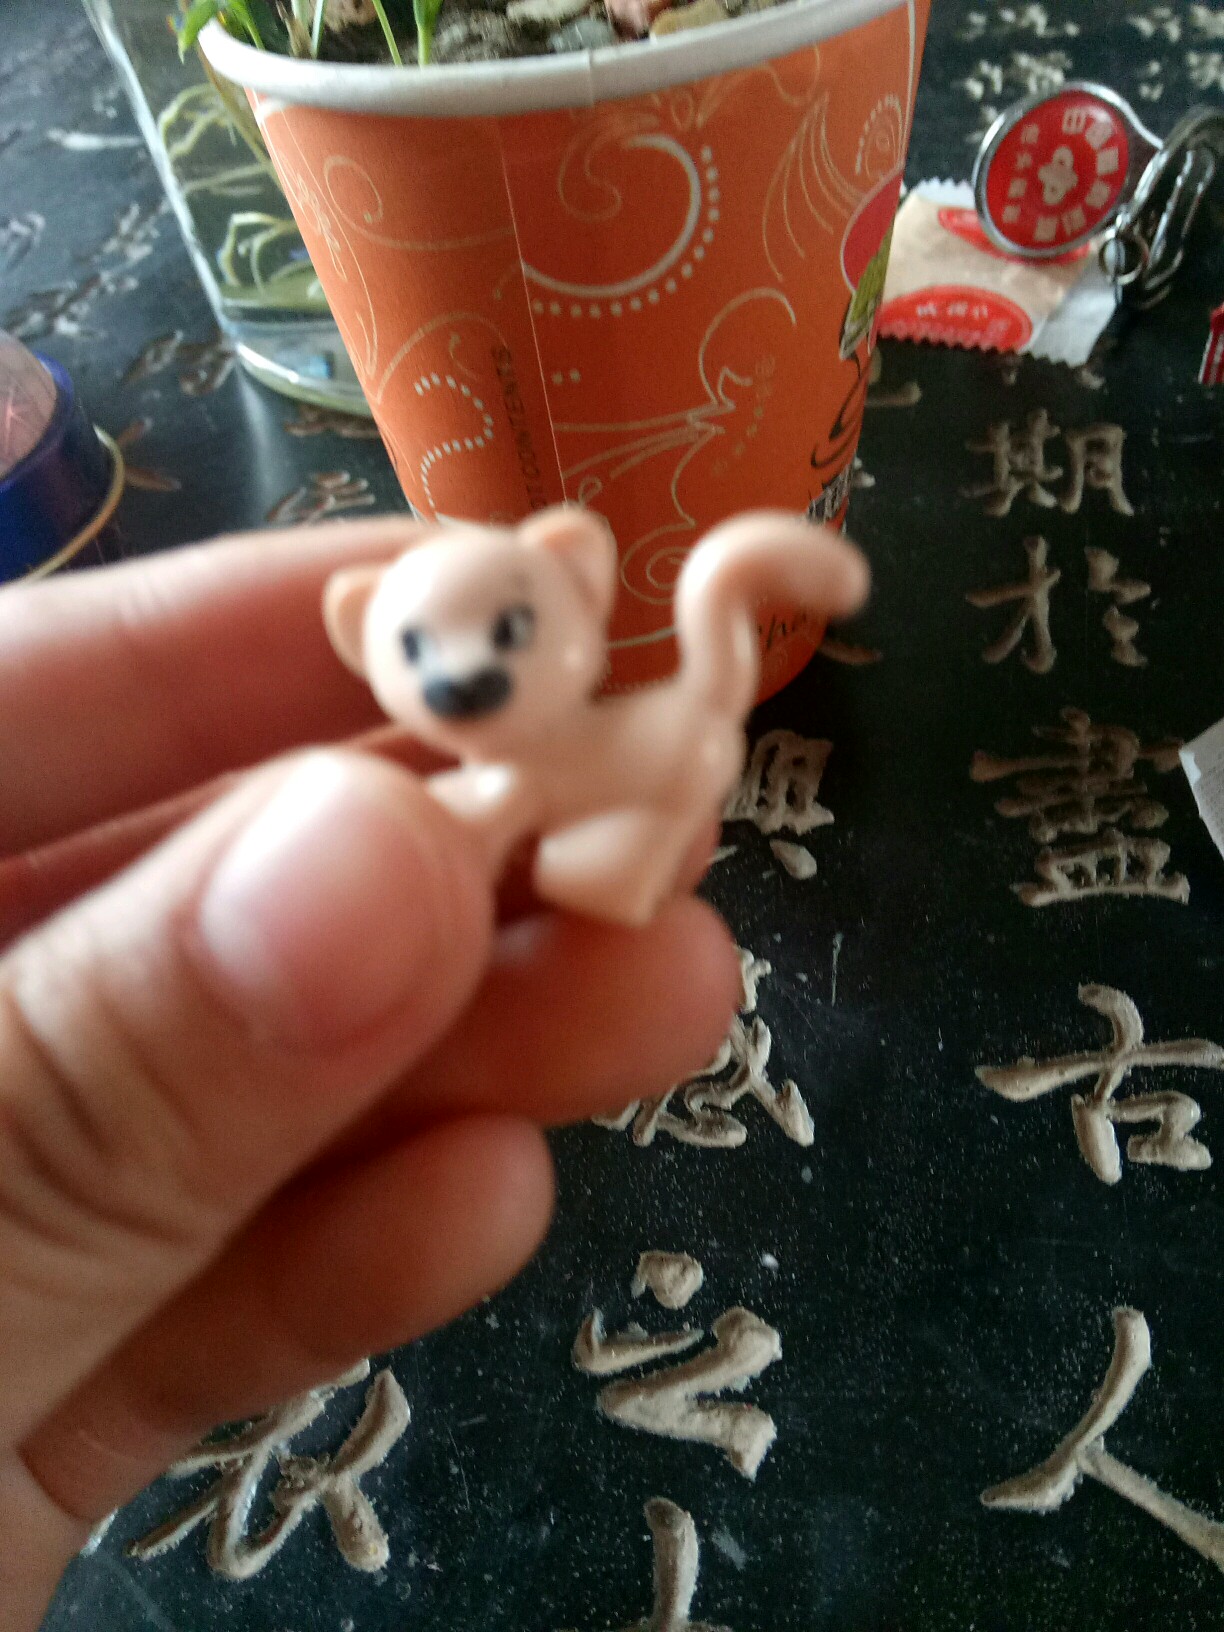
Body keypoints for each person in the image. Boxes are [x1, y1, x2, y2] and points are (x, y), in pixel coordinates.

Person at [0, 519, 744, 1630]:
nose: (467, 670)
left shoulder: (526, 761)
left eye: (509, 629)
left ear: (577, 581)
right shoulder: (472, 771)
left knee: (620, 910)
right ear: (362, 639)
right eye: (422, 651)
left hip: (644, 782)